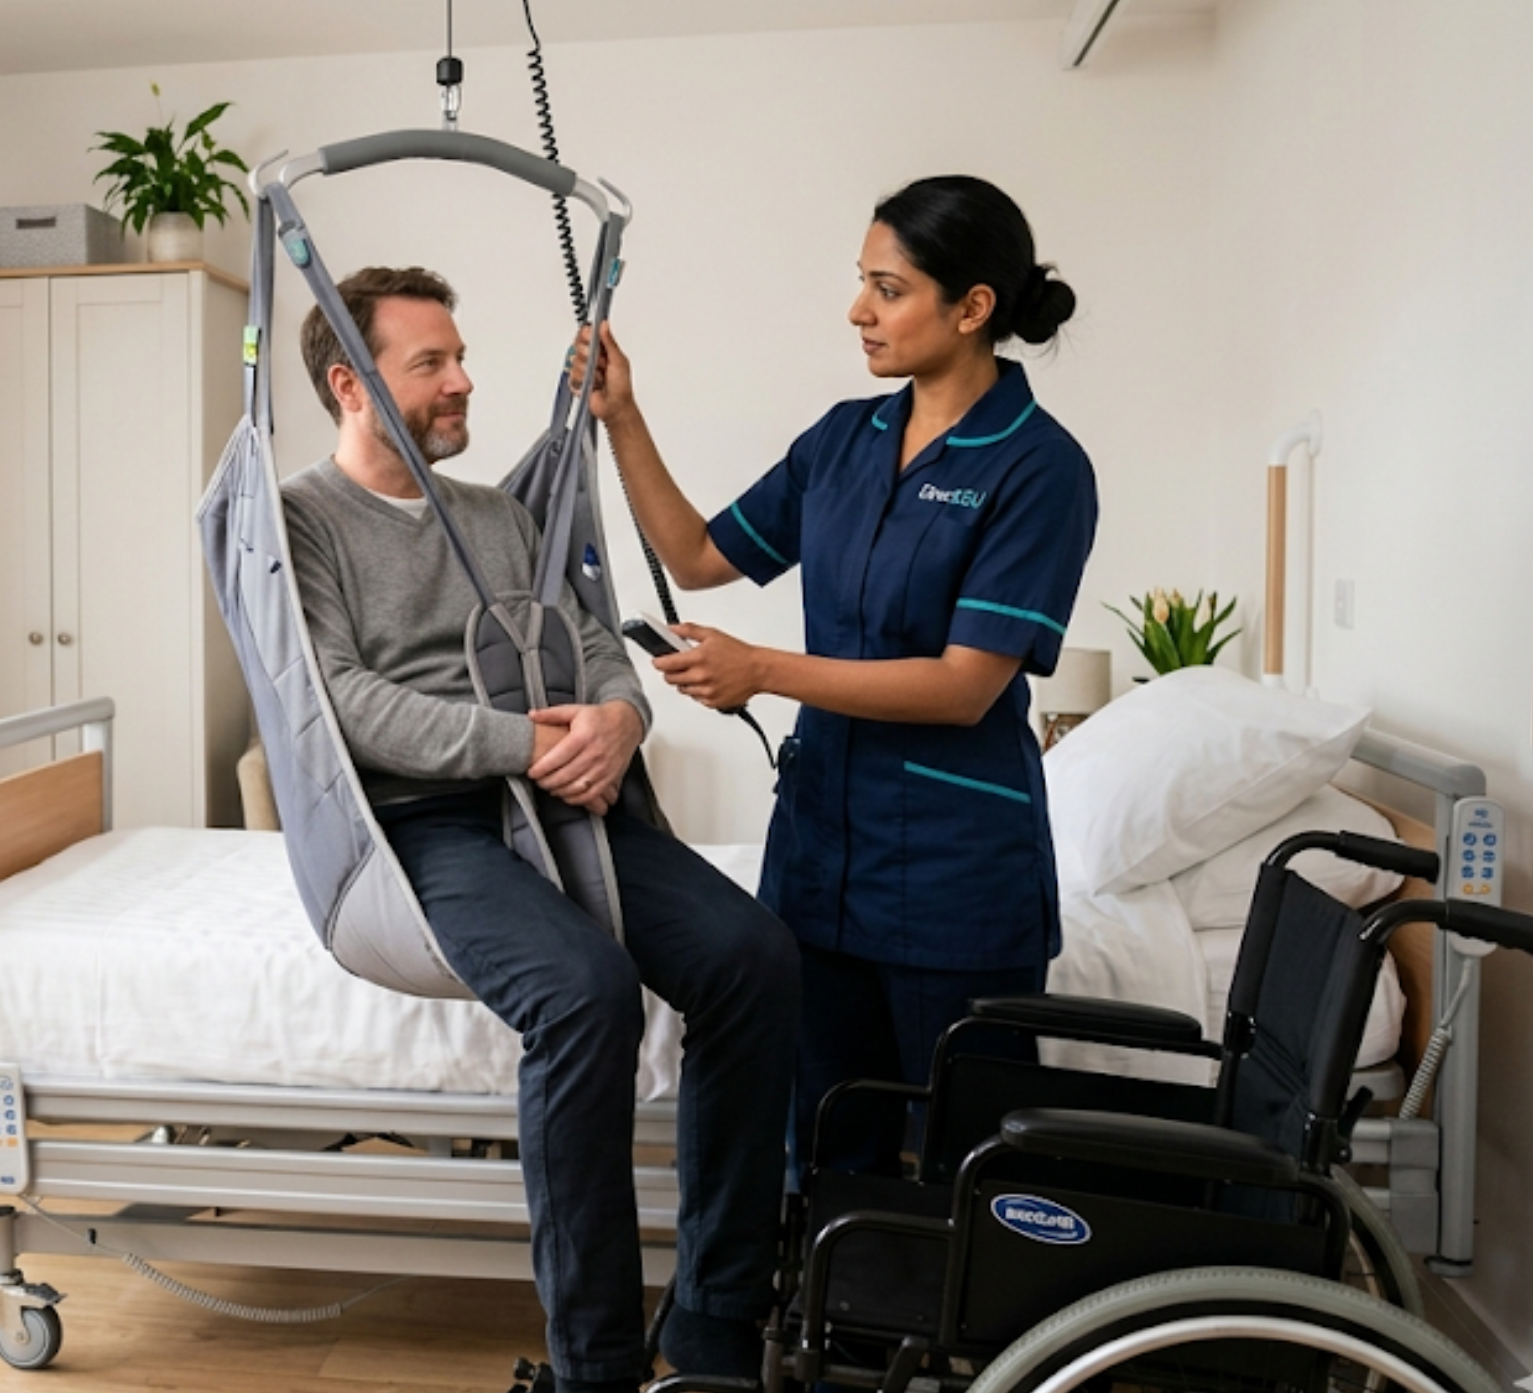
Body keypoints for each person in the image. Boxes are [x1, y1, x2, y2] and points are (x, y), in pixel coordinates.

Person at [283, 265, 799, 1393]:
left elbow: (594, 636)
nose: (465, 380)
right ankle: (595, 1372)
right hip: (428, 824)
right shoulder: (297, 523)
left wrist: (619, 717)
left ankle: (712, 1328)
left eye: (459, 355)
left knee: (755, 960)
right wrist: (524, 747)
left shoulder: (503, 515)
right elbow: (342, 703)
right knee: (586, 991)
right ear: (350, 384)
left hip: (569, 793)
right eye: (432, 364)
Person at [572, 176, 1097, 1178]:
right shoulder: (844, 442)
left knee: (972, 1160)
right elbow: (693, 556)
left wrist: (761, 669)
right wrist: (623, 416)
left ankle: (974, 1342)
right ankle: (832, 1333)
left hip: (956, 875)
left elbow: (963, 687)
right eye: (863, 282)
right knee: (821, 1138)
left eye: (888, 288)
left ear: (973, 307)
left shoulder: (1039, 468)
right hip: (819, 857)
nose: (859, 309)